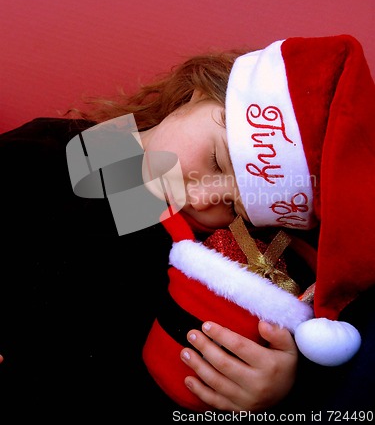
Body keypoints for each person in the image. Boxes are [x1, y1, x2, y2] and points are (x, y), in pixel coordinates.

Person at [0, 35, 374, 420]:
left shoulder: (232, 265)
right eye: (217, 161)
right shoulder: (48, 155)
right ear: (197, 91)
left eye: (234, 207)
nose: (202, 198)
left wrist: (270, 395)